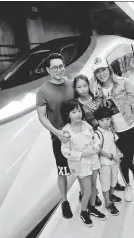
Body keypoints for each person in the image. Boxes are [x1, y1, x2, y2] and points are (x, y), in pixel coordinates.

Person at [90, 56, 134, 202]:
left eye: (103, 69)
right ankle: (127, 186)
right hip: (113, 131)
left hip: (130, 125)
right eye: (97, 72)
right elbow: (99, 112)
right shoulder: (97, 92)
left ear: (109, 69)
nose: (101, 74)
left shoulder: (124, 83)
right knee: (122, 159)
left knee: (129, 157)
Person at [36, 53, 74, 219]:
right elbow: (42, 117)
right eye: (54, 67)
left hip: (78, 136)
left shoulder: (72, 84)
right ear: (48, 70)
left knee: (81, 167)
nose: (59, 70)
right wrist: (57, 133)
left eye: (61, 66)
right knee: (63, 170)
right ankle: (64, 201)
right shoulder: (43, 91)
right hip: (59, 138)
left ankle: (83, 194)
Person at [74, 74, 126, 194]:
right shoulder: (78, 105)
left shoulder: (96, 97)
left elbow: (106, 112)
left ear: (89, 85)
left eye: (85, 86)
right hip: (92, 138)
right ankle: (95, 191)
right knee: (96, 166)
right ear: (75, 89)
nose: (83, 89)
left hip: (106, 134)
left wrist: (110, 124)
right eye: (79, 87)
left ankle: (114, 183)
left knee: (111, 160)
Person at [60, 100, 106, 227]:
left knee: (93, 187)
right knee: (87, 190)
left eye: (79, 111)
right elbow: (65, 151)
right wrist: (81, 154)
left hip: (93, 160)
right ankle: (83, 212)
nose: (77, 114)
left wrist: (96, 148)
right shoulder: (66, 131)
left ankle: (92, 208)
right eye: (73, 112)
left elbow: (95, 139)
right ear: (67, 114)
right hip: (81, 164)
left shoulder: (86, 125)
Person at [93, 107, 122, 216]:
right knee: (105, 183)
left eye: (107, 119)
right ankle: (108, 203)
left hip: (114, 162)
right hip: (104, 163)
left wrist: (118, 153)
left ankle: (111, 196)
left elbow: (114, 142)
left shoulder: (110, 130)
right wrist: (111, 156)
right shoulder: (97, 134)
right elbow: (98, 150)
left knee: (113, 181)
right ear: (97, 121)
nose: (105, 122)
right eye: (102, 120)